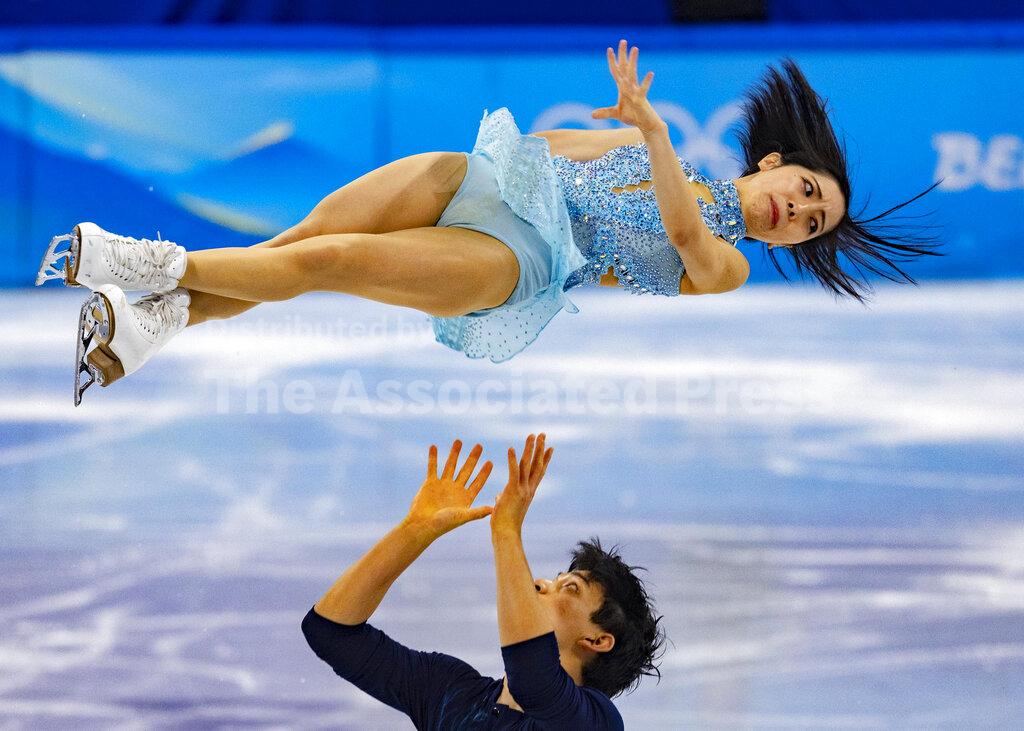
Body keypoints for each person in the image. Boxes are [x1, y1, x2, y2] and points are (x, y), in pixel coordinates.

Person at [37, 41, 937, 404]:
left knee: (325, 263)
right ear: (777, 163)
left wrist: (652, 134)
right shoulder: (678, 161)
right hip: (481, 182)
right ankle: (149, 329)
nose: (801, 212)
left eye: (811, 225)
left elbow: (690, 236)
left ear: (788, 241)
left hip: (517, 260)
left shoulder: (731, 266)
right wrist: (593, 142)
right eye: (810, 191)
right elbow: (549, 146)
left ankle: (147, 263)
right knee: (292, 247)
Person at [301, 434, 664, 729]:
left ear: (597, 640)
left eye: (569, 588)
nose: (540, 584)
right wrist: (414, 533)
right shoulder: (448, 692)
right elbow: (331, 632)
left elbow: (533, 679)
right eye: (554, 580)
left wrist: (506, 531)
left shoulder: (593, 723)